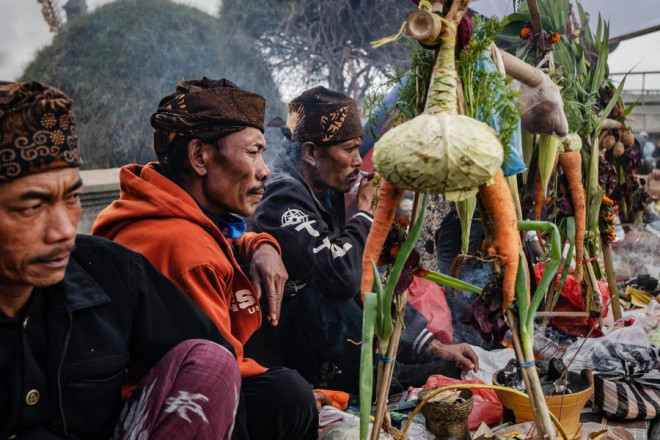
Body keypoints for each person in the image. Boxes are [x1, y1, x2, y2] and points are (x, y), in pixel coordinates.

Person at [0, 81, 240, 439]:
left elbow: (213, 358)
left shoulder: (111, 272)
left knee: (216, 364)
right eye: (31, 206)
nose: (63, 230)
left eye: (71, 198)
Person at [93, 78, 317, 440]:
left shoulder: (167, 213)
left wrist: (261, 243)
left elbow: (225, 237)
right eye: (252, 152)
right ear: (199, 157)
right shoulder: (185, 250)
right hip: (150, 414)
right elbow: (215, 374)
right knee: (288, 395)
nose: (265, 170)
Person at [249, 86, 479, 394]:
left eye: (359, 148)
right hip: (286, 359)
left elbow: (367, 278)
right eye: (348, 150)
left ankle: (403, 366)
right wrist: (365, 215)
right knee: (325, 292)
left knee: (375, 272)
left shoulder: (324, 189)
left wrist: (433, 346)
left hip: (327, 340)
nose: (360, 161)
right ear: (311, 152)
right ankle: (393, 376)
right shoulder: (280, 194)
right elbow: (341, 277)